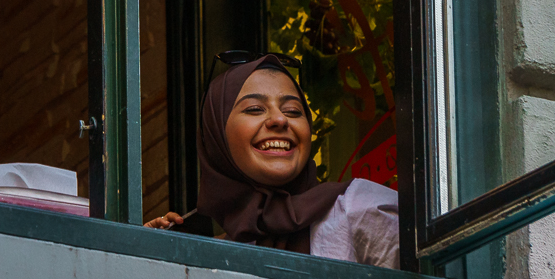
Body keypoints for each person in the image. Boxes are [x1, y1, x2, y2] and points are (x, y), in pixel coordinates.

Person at [145, 54, 398, 268]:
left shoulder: (360, 210)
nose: (280, 119)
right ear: (216, 137)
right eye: (255, 109)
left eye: (293, 111)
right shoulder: (209, 258)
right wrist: (149, 257)